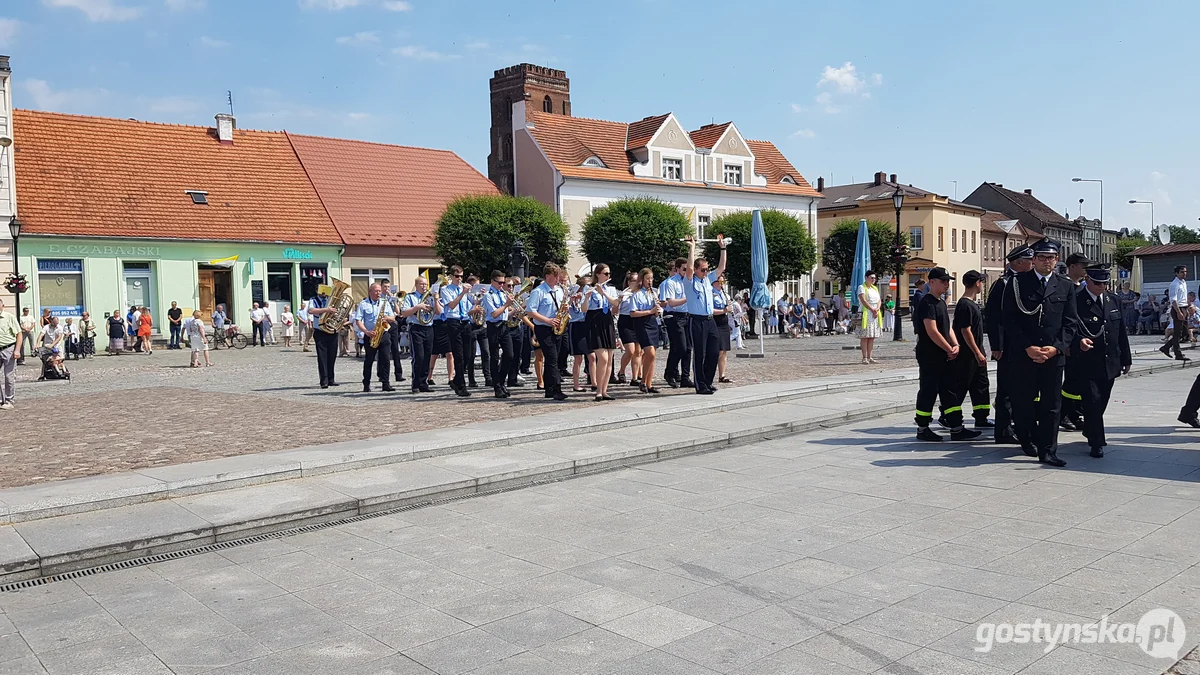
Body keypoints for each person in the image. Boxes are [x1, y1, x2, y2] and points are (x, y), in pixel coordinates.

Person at [1002, 238, 1079, 467]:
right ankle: (1027, 439)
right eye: (1042, 257)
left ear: (1057, 260)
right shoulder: (1017, 284)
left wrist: (1056, 347)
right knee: (1023, 402)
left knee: (1052, 405)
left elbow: (1071, 322)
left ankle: (1048, 450)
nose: (1047, 262)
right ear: (1033, 260)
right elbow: (1009, 321)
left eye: (1051, 258)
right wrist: (1028, 347)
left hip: (1053, 355)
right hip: (1025, 354)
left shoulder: (1065, 285)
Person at [1067, 265, 1131, 457]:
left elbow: (1121, 332)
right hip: (1086, 361)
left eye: (1105, 283)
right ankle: (1097, 442)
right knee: (1092, 401)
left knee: (1102, 400)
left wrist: (1126, 358)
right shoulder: (1076, 300)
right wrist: (1078, 342)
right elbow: (1068, 327)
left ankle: (1090, 428)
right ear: (1087, 280)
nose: (1101, 287)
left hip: (1110, 361)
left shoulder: (1114, 300)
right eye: (1097, 283)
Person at [913, 267, 975, 442]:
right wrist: (949, 348)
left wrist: (955, 344)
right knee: (929, 390)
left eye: (948, 281)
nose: (947, 284)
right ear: (932, 282)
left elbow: (946, 328)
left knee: (950, 391)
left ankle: (956, 427)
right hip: (930, 354)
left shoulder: (940, 303)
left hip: (944, 355)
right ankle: (923, 427)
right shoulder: (927, 303)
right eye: (943, 281)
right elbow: (932, 331)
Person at [985, 244, 1034, 445]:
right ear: (1019, 262)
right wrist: (997, 345)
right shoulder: (1004, 283)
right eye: (1030, 261)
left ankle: (1016, 424)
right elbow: (994, 316)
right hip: (1006, 346)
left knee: (1021, 387)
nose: (1033, 264)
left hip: (1022, 345)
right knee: (1006, 389)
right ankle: (1003, 429)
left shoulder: (1024, 281)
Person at [943, 270, 991, 431]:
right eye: (982, 282)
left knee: (981, 385)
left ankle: (981, 417)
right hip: (967, 355)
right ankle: (947, 416)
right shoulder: (965, 305)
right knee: (961, 386)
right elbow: (965, 331)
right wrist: (977, 352)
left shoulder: (972, 303)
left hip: (977, 353)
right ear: (977, 283)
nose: (982, 285)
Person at [683, 235, 728, 395]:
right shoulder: (690, 281)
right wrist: (692, 248)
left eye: (706, 269)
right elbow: (688, 269)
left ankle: (708, 381)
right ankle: (700, 384)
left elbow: (721, 268)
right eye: (702, 270)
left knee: (714, 352)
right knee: (700, 353)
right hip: (696, 320)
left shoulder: (708, 280)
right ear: (696, 270)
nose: (705, 272)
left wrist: (722, 248)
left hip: (710, 321)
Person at [525, 263, 569, 401]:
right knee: (551, 358)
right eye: (555, 276)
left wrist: (566, 308)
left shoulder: (559, 290)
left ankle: (549, 389)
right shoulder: (538, 292)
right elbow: (530, 311)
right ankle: (556, 389)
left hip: (557, 326)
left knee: (555, 358)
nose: (557, 279)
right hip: (544, 328)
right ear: (547, 276)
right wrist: (548, 320)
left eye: (558, 276)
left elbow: (561, 306)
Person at [1059, 253, 1090, 431]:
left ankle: (1076, 413)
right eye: (1082, 265)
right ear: (1072, 267)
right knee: (1071, 381)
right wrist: (1067, 343)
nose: (1085, 268)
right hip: (1070, 342)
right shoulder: (1064, 286)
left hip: (1084, 341)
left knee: (1081, 380)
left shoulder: (1085, 287)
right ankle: (1065, 414)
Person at [586, 264, 621, 401]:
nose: (608, 276)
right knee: (603, 358)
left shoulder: (611, 289)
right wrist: (587, 297)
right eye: (606, 274)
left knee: (609, 359)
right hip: (595, 321)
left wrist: (604, 293)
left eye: (609, 273)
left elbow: (615, 303)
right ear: (598, 274)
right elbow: (584, 309)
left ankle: (604, 390)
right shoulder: (590, 288)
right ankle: (598, 390)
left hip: (607, 322)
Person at [355, 282, 396, 393]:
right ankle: (366, 383)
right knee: (369, 360)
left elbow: (393, 317)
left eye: (379, 291)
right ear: (370, 292)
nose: (379, 293)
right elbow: (358, 320)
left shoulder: (385, 302)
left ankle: (385, 383)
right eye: (376, 291)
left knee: (385, 359)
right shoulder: (363, 304)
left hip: (384, 334)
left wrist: (387, 318)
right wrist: (366, 332)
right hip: (371, 334)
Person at [629, 267, 664, 395]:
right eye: (647, 278)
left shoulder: (653, 293)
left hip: (652, 323)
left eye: (651, 278)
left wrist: (657, 311)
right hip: (641, 324)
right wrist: (650, 311)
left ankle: (649, 384)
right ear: (642, 279)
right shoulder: (636, 294)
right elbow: (633, 313)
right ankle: (643, 381)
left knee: (652, 355)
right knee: (650, 353)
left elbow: (655, 312)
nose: (650, 281)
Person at [439, 266, 473, 397]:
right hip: (453, 322)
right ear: (452, 277)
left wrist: (480, 296)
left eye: (461, 276)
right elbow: (451, 305)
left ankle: (456, 381)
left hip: (465, 322)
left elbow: (473, 302)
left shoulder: (464, 289)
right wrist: (463, 293)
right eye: (457, 276)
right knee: (458, 356)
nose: (460, 279)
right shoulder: (445, 289)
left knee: (468, 355)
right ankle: (462, 386)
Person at [482, 271, 515, 399]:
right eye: (500, 283)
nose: (502, 285)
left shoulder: (502, 293)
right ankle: (497, 387)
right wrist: (507, 304)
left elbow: (504, 313)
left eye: (503, 283)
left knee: (510, 355)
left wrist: (515, 311)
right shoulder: (487, 295)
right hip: (493, 327)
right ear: (492, 282)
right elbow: (494, 314)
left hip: (504, 326)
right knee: (494, 358)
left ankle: (501, 382)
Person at [660, 259, 692, 389]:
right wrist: (688, 298)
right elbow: (671, 302)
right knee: (680, 347)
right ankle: (670, 372)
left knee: (688, 348)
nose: (687, 271)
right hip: (674, 316)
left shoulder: (689, 282)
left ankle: (685, 377)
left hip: (687, 315)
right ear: (677, 269)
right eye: (684, 269)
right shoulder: (670, 283)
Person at [401, 276, 436, 394]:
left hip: (429, 327)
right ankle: (415, 383)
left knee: (427, 356)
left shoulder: (430, 298)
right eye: (421, 284)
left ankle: (423, 382)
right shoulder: (410, 297)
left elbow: (439, 312)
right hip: (416, 328)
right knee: (418, 356)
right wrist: (417, 307)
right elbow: (404, 313)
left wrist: (436, 300)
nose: (424, 286)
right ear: (416, 285)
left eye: (426, 284)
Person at [306, 285, 342, 389]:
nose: (323, 292)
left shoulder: (331, 300)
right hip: (320, 331)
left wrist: (336, 313)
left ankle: (331, 379)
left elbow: (338, 312)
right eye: (321, 290)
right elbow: (311, 310)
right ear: (317, 290)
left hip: (332, 330)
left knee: (332, 355)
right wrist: (327, 309)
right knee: (322, 357)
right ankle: (324, 380)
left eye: (325, 290)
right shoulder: (313, 300)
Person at [567, 274, 592, 393]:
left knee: (592, 356)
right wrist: (572, 299)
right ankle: (576, 384)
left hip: (586, 325)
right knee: (578, 358)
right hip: (576, 325)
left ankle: (594, 382)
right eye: (587, 286)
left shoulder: (588, 297)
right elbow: (565, 308)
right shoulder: (573, 296)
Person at [616, 271, 642, 386]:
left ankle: (635, 378)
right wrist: (619, 301)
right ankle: (621, 371)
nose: (636, 283)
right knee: (630, 350)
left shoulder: (640, 293)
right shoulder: (624, 294)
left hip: (637, 320)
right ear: (628, 282)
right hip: (625, 321)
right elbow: (616, 310)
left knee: (638, 351)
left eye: (638, 280)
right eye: (634, 281)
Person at [463, 277, 489, 389]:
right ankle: (471, 379)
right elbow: (464, 313)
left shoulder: (480, 296)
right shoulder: (465, 296)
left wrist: (483, 296)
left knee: (486, 353)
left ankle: (488, 377)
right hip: (471, 327)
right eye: (475, 286)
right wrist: (473, 310)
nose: (477, 289)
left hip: (482, 326)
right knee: (471, 355)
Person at [1161, 265, 1191, 361]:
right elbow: (1173, 300)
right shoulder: (1174, 284)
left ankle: (1166, 347)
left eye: (1185, 271)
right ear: (1177, 273)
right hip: (1178, 308)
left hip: (1184, 307)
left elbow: (1184, 297)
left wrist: (1187, 309)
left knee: (1185, 331)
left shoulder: (1183, 282)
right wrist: (1179, 312)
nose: (1184, 273)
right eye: (1182, 272)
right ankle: (1178, 354)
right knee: (1178, 332)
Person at [0, 298, 23, 410]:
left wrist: (17, 350)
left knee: (8, 376)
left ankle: (9, 400)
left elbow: (19, 334)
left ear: (2, 306)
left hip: (8, 349)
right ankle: (1, 400)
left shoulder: (9, 317)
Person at [857, 271, 883, 364]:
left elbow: (879, 300)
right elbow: (863, 300)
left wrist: (877, 309)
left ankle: (870, 356)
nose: (873, 280)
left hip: (875, 313)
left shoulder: (875, 288)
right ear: (866, 277)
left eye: (874, 278)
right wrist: (872, 309)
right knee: (865, 336)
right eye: (871, 277)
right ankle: (864, 357)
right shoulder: (862, 287)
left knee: (872, 336)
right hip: (866, 312)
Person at [713, 276, 733, 383]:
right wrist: (724, 310)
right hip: (715, 321)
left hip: (724, 322)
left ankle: (722, 375)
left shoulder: (725, 294)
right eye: (719, 282)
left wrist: (729, 308)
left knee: (724, 349)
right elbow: (710, 310)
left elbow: (727, 307)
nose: (722, 284)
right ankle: (710, 373)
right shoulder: (711, 293)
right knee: (718, 350)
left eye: (723, 282)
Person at [384, 285, 406, 386]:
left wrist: (394, 300)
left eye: (389, 287)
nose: (387, 289)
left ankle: (398, 374)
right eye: (385, 287)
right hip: (383, 324)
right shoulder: (380, 298)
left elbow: (398, 312)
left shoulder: (392, 298)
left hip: (393, 324)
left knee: (395, 350)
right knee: (384, 351)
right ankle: (382, 374)